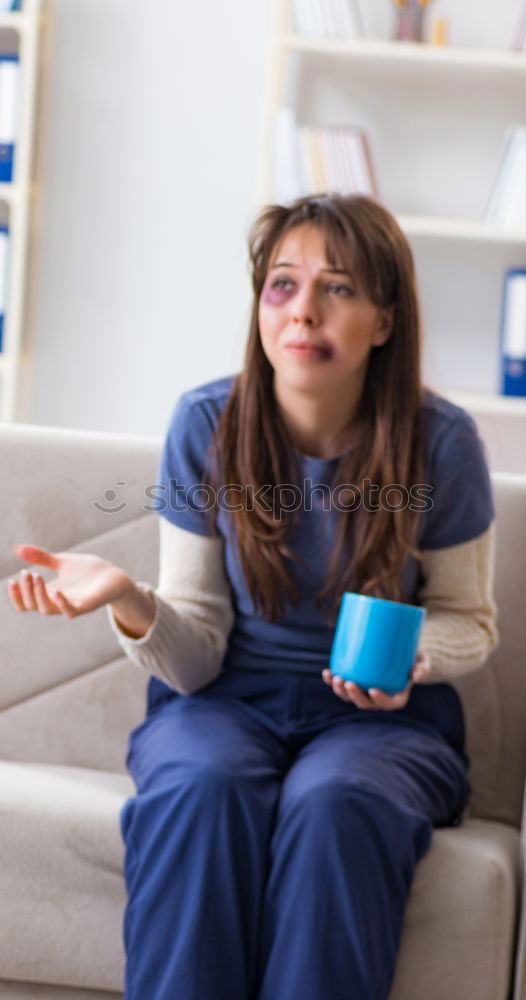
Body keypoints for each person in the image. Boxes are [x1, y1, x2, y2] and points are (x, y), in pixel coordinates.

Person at [8, 193, 498, 1000]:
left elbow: (469, 622)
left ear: (383, 319)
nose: (303, 311)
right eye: (282, 285)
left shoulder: (439, 443)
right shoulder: (208, 423)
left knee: (337, 801)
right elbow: (195, 653)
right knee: (202, 790)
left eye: (337, 288)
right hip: (221, 705)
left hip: (383, 722)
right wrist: (130, 599)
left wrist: (413, 654)